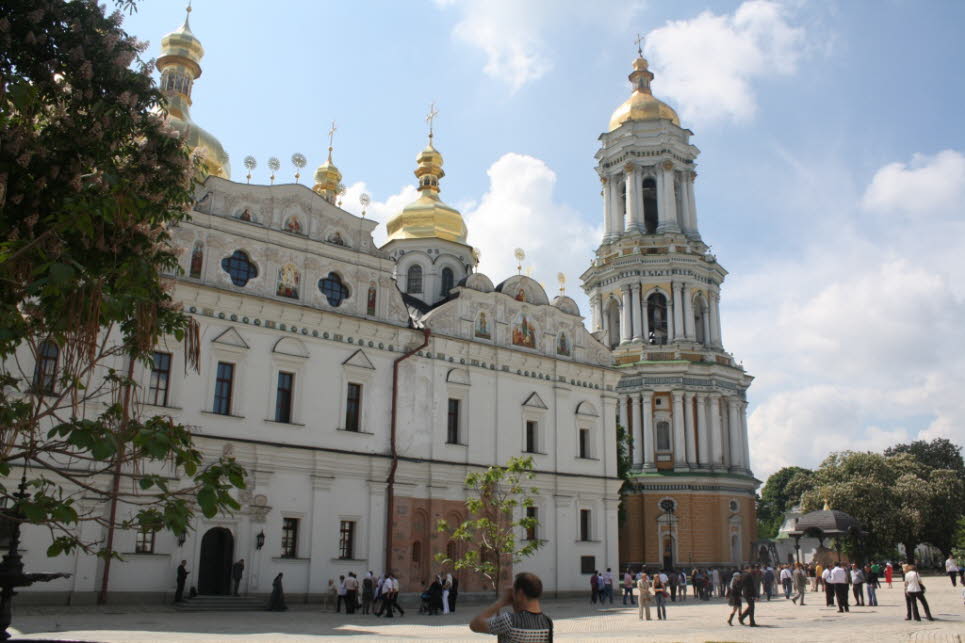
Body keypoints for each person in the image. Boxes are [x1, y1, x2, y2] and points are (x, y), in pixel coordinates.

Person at [469, 572, 553, 642]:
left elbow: (475, 625)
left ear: (520, 593)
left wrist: (501, 602)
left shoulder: (509, 621)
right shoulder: (547, 622)